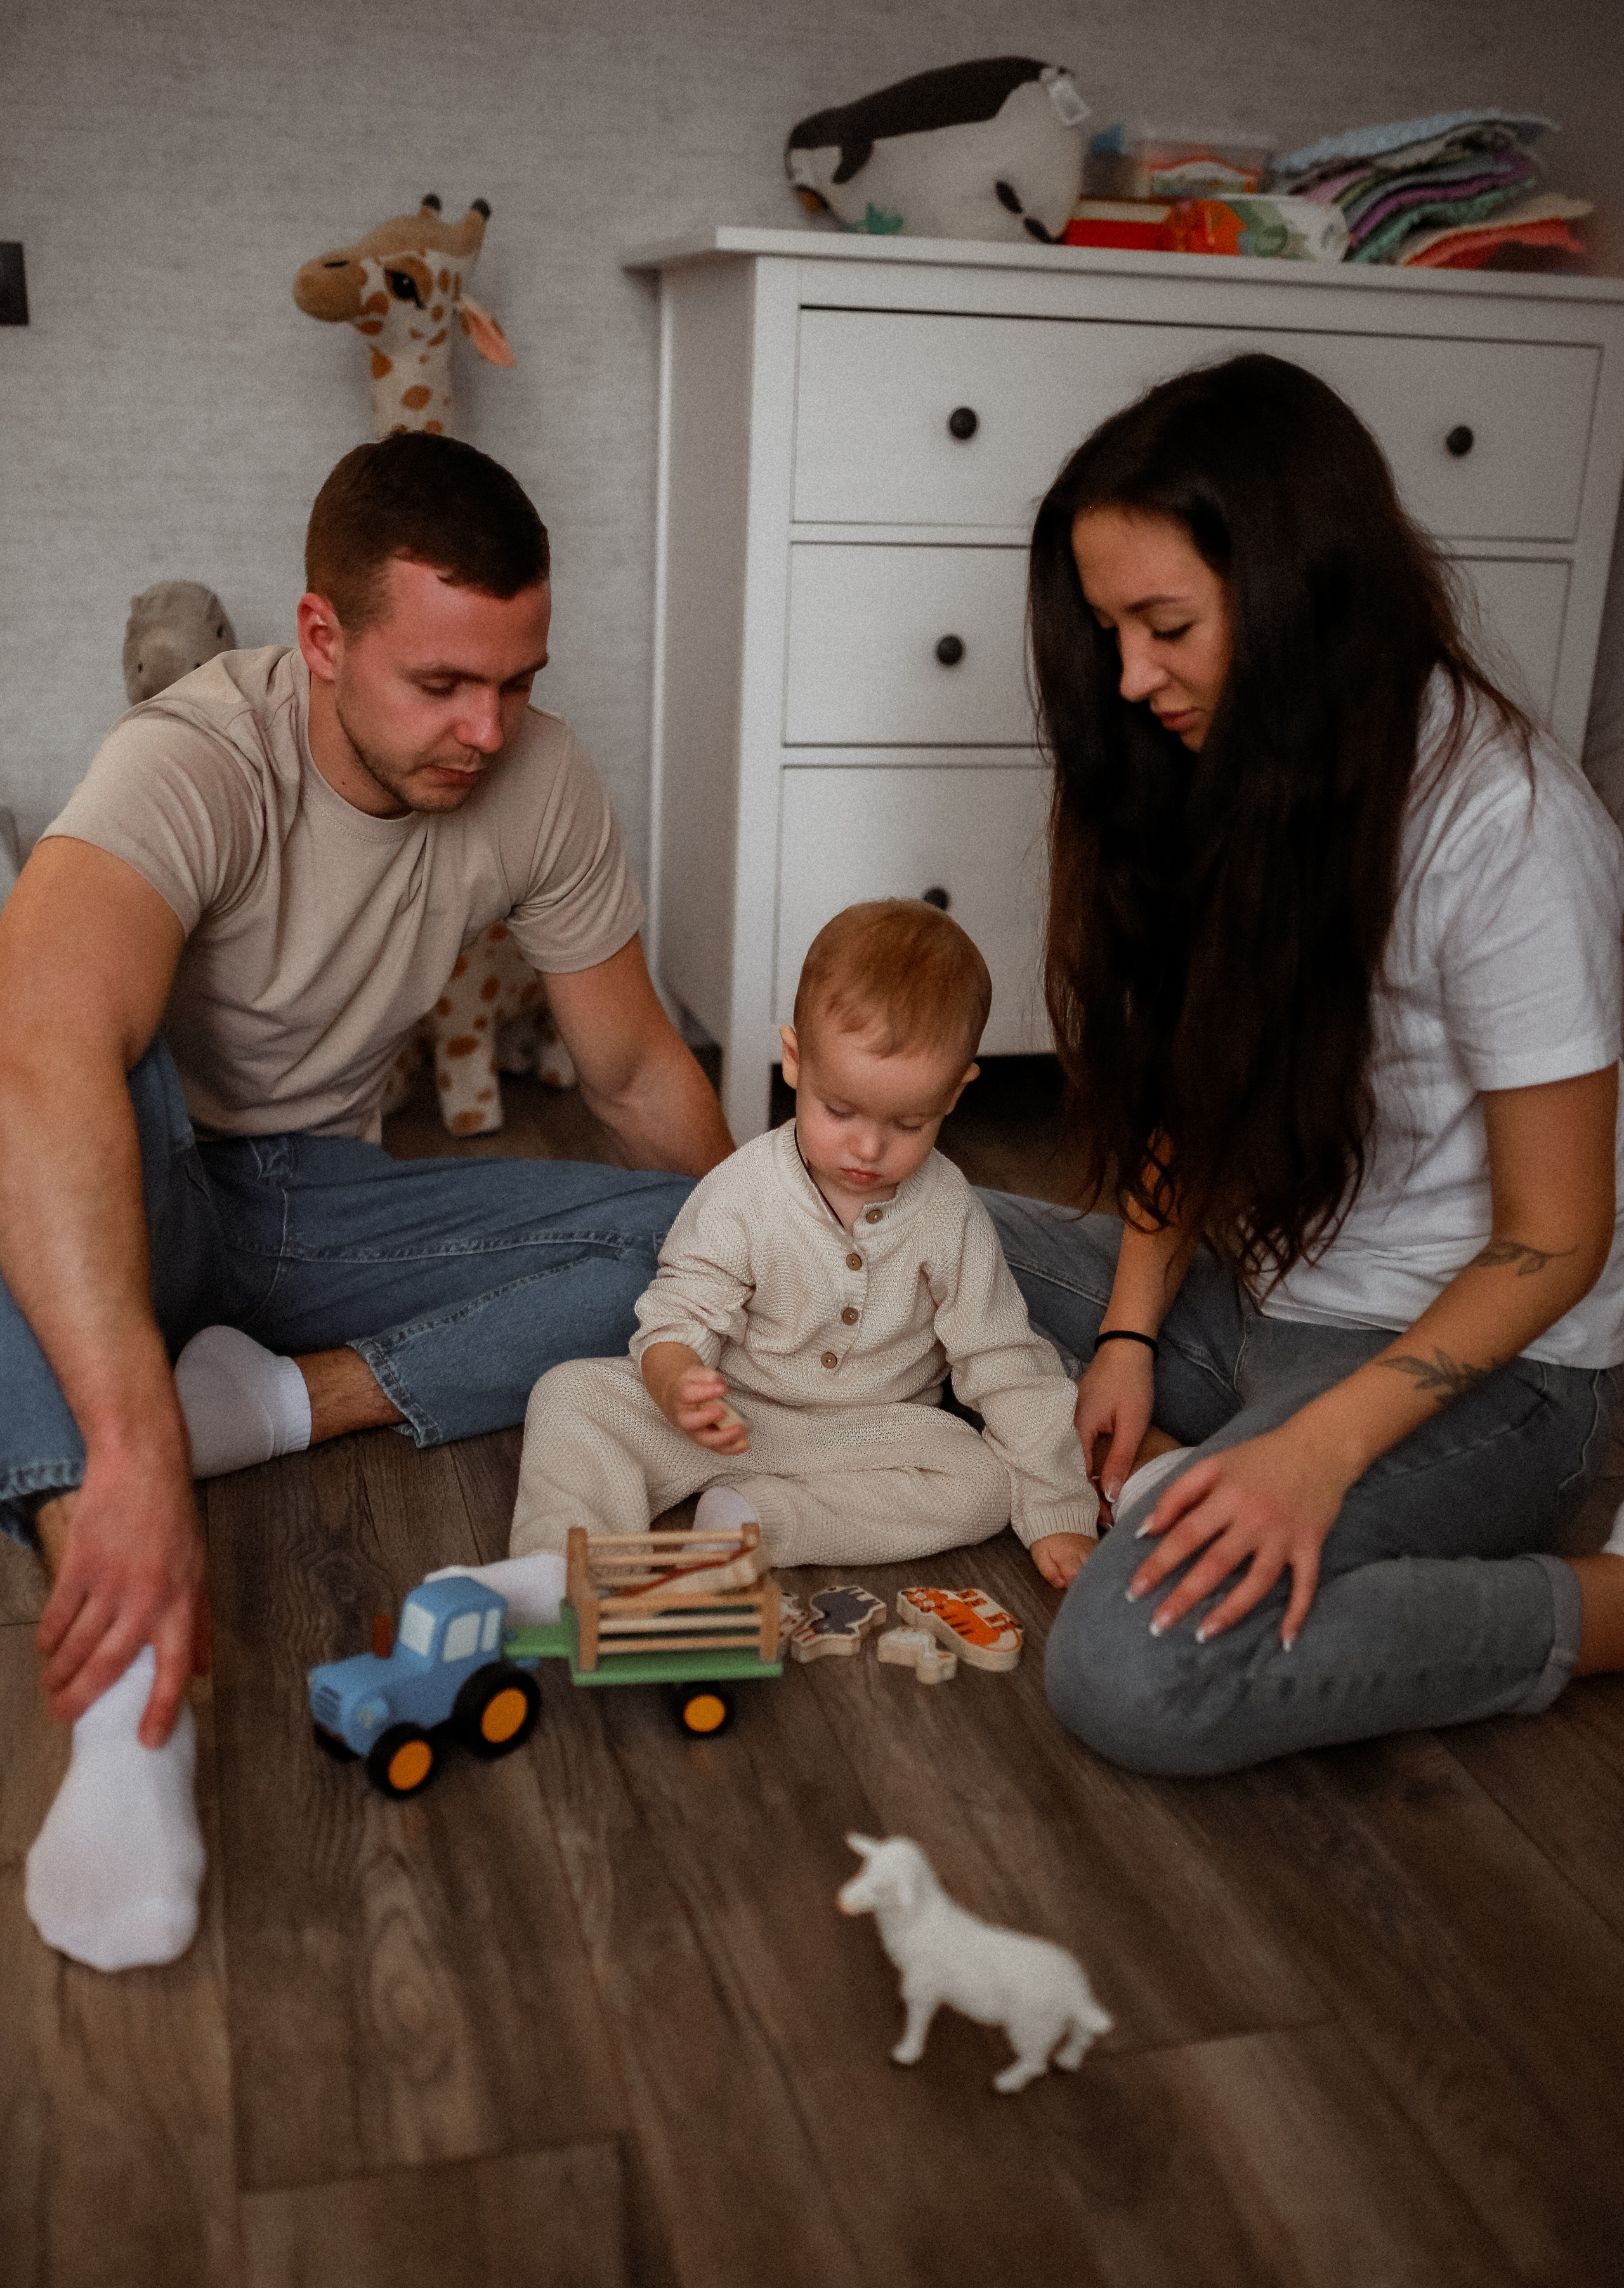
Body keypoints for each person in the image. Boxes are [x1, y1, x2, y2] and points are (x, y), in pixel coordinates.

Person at [0, 431, 732, 1968]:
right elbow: (45, 1048)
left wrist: (767, 1262)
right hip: (135, 1183)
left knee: (707, 1241)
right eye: (443, 685)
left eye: (517, 678)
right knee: (28, 1034)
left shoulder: (539, 774)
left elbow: (628, 1069)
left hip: (312, 1202)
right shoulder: (195, 757)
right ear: (321, 638)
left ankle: (272, 1404)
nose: (489, 726)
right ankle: (130, 1679)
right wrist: (135, 1460)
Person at [981, 351, 1624, 1777]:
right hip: (1265, 1301)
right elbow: (1195, 1092)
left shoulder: (1507, 830)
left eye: (1164, 626)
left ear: (1294, 591)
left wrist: (1314, 1453)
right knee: (876, 1219)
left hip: (1489, 1378)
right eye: (1108, 632)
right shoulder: (1245, 762)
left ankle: (1596, 1608)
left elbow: (1558, 1240)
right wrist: (1130, 1330)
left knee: (1127, 1665)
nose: (1129, 678)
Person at [473, 900, 1097, 1623]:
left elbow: (1003, 1360)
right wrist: (678, 1383)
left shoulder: (948, 1213)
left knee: (983, 1483)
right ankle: (555, 1560)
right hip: (732, 1414)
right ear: (795, 1061)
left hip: (874, 1436)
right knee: (571, 1395)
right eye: (840, 1111)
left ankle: (755, 1521)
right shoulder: (745, 1188)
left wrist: (1056, 1510)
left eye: (908, 1123)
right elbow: (683, 1303)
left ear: (954, 1094)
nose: (868, 1149)